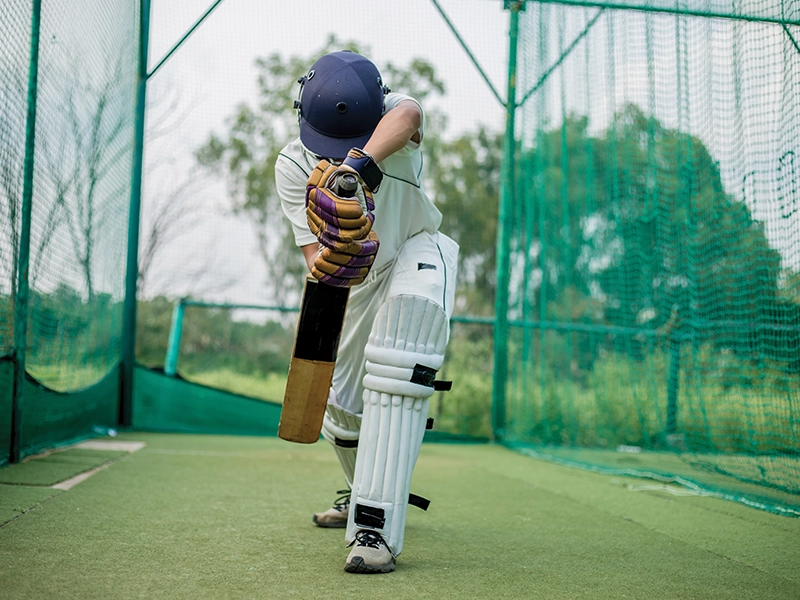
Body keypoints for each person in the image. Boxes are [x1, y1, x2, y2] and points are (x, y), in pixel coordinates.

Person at [275, 50, 458, 574]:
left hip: (420, 250)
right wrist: (339, 248)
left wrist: (359, 167)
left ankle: (374, 530)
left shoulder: (393, 114)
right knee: (344, 409)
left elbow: (409, 115)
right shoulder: (292, 164)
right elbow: (315, 263)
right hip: (359, 278)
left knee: (402, 354)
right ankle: (359, 492)